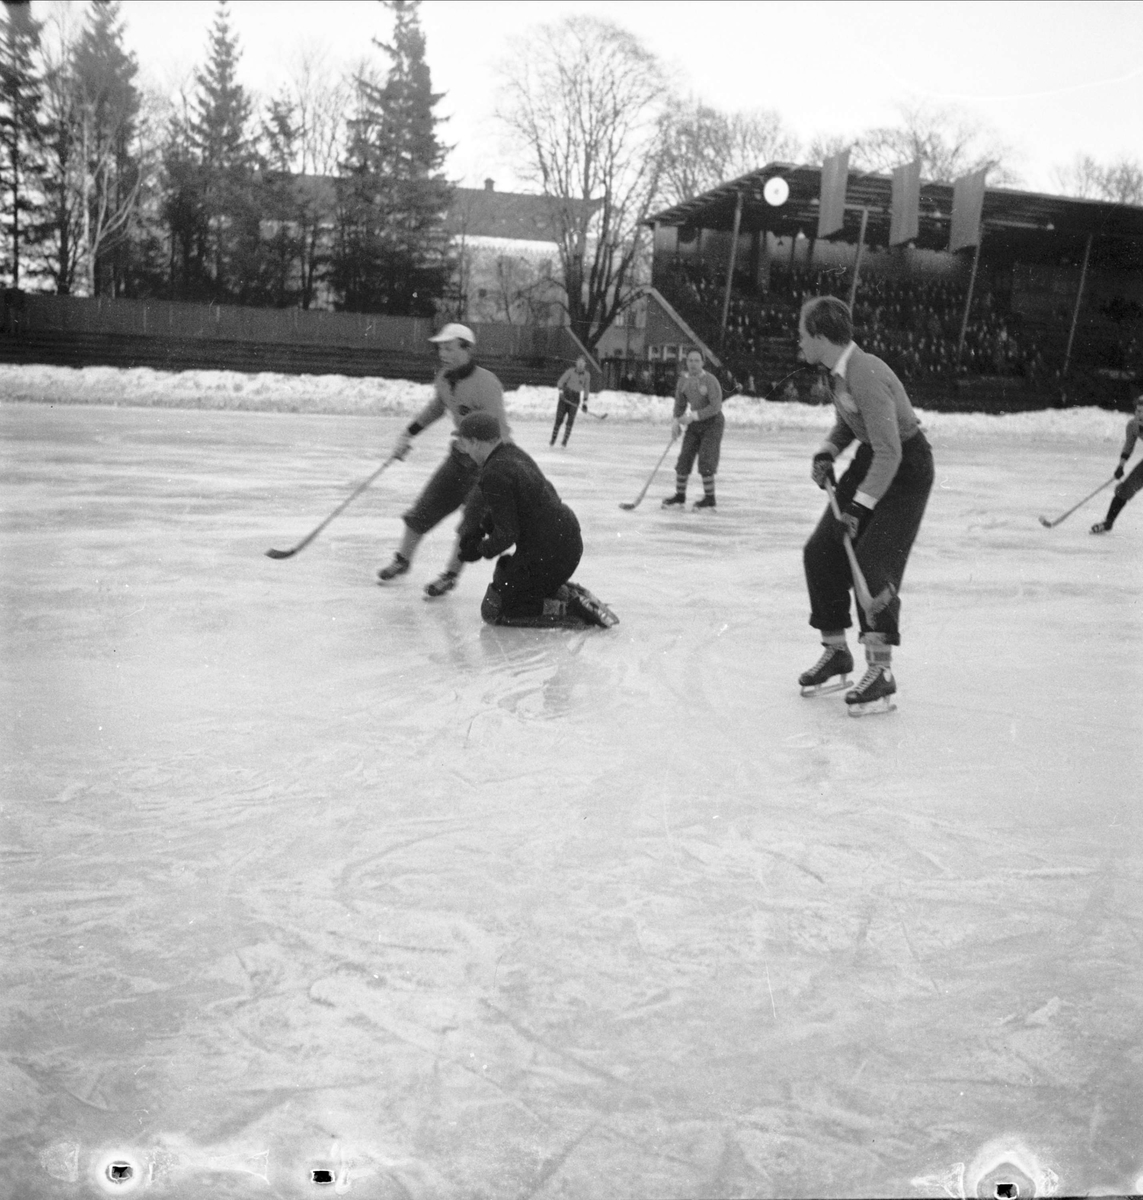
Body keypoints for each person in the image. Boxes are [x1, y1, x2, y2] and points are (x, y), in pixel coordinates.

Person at [796, 295, 935, 716]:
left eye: (803, 333)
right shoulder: (838, 373)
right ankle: (837, 651)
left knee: (873, 563)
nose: (798, 341)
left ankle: (881, 669)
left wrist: (858, 507)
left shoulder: (866, 371)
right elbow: (851, 422)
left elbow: (891, 449)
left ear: (820, 336)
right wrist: (827, 451)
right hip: (872, 460)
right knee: (821, 550)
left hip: (905, 469)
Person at [376, 323, 510, 598]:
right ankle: (402, 560)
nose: (443, 354)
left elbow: (499, 429)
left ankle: (450, 575)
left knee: (469, 525)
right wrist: (408, 433)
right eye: (440, 348)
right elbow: (438, 407)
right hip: (458, 459)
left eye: (449, 348)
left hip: (486, 466)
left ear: (467, 349)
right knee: (422, 509)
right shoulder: (444, 377)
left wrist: (495, 467)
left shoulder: (486, 383)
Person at [454, 412, 618, 628]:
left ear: (475, 442)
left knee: (496, 610)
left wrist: (480, 549)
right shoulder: (512, 453)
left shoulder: (493, 473)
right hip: (565, 543)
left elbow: (507, 534)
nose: (462, 449)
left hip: (549, 554)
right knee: (507, 578)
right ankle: (567, 593)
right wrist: (483, 528)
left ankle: (569, 608)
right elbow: (519, 504)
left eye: (464, 443)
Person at [662, 349, 724, 509]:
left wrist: (693, 416)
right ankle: (680, 496)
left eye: (697, 360)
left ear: (703, 363)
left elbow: (715, 406)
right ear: (686, 362)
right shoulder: (683, 381)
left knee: (706, 458)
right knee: (684, 458)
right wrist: (676, 421)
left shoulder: (710, 380)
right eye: (690, 360)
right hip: (695, 424)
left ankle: (710, 499)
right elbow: (680, 404)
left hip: (713, 423)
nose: (693, 364)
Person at [1091, 391, 1143, 534]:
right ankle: (1108, 522)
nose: (1139, 414)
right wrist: (1121, 465)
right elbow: (1129, 446)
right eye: (1138, 411)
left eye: (1142, 411)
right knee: (1125, 489)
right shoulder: (1133, 426)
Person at [551, 356, 592, 447]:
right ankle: (553, 440)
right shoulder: (570, 371)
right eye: (579, 362)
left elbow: (586, 389)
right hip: (565, 396)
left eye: (583, 363)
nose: (581, 364)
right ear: (576, 363)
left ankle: (564, 442)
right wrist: (561, 392)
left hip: (575, 398)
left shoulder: (587, 375)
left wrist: (585, 403)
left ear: (585, 365)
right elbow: (560, 382)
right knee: (559, 418)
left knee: (570, 420)